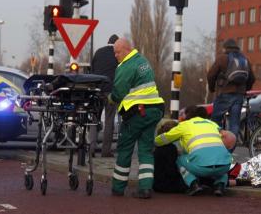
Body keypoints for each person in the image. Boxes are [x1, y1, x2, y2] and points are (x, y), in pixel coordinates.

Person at [108, 38, 164, 199]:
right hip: (154, 110)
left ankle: (118, 188)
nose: (116, 56)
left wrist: (110, 98)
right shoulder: (143, 61)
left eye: (117, 52)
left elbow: (119, 93)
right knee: (146, 150)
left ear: (126, 50)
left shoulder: (126, 66)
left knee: (125, 149)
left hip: (137, 114)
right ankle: (145, 188)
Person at [154, 105, 234, 197]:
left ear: (188, 117)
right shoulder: (213, 124)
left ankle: (193, 184)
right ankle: (220, 186)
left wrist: (155, 141)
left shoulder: (185, 125)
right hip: (224, 166)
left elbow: (165, 137)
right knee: (221, 160)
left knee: (180, 159)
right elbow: (228, 138)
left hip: (201, 167)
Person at [207, 38, 255, 152]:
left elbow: (211, 74)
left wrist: (212, 88)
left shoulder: (222, 58)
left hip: (224, 93)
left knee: (215, 120)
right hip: (239, 95)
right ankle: (230, 149)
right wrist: (245, 89)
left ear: (225, 48)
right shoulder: (244, 59)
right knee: (234, 123)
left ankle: (215, 145)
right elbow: (252, 78)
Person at [90, 34, 119, 157]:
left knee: (94, 120)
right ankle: (105, 151)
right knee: (109, 120)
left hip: (97, 90)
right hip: (110, 91)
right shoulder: (117, 54)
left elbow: (92, 70)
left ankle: (91, 149)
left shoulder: (98, 52)